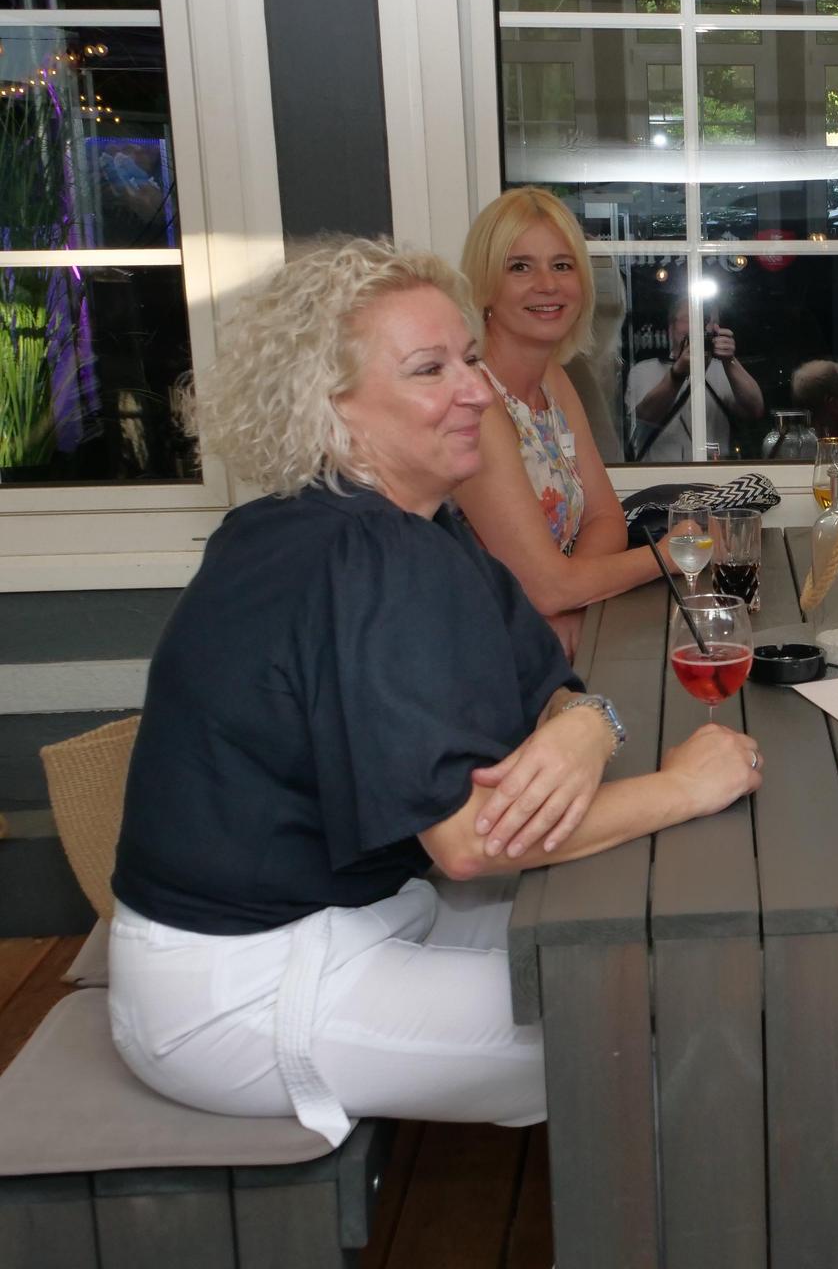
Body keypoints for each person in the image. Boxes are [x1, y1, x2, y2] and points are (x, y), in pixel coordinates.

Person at [107, 239, 762, 1146]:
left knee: (662, 943)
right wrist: (686, 784)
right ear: (329, 408)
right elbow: (469, 844)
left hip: (363, 911)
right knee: (687, 1018)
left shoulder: (401, 521)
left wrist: (584, 727)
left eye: (468, 359)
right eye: (429, 371)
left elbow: (553, 685)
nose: (477, 391)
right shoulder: (360, 557)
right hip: (243, 986)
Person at [454, 186, 666, 660]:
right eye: (520, 267)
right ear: (485, 284)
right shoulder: (474, 402)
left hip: (543, 641)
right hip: (477, 655)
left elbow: (605, 518)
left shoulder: (552, 377)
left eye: (562, 265)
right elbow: (546, 588)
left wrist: (572, 600)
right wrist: (667, 557)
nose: (547, 285)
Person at [624, 296, 766, 462]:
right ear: (671, 328)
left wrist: (730, 361)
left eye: (706, 321)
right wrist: (677, 373)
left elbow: (755, 409)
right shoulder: (644, 370)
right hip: (661, 476)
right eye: (689, 319)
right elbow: (643, 419)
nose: (698, 327)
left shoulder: (723, 371)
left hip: (716, 473)